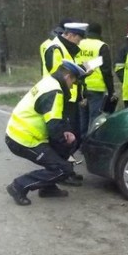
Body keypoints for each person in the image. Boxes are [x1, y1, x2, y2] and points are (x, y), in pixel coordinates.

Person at [5, 60, 87, 206]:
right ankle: (18, 186)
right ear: (68, 77)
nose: (73, 86)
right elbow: (54, 126)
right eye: (73, 82)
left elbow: (56, 118)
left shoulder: (49, 81)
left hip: (22, 132)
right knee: (64, 168)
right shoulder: (55, 92)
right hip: (22, 139)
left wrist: (65, 135)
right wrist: (66, 143)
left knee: (60, 153)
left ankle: (47, 188)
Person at [43, 22, 88, 162]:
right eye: (78, 39)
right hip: (59, 96)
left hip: (69, 96)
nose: (79, 43)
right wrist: (82, 71)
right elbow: (59, 74)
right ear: (69, 35)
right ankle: (62, 167)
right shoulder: (56, 48)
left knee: (74, 134)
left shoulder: (68, 48)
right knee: (64, 135)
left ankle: (65, 164)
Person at [76, 22, 116, 138]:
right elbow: (106, 70)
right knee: (94, 119)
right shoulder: (101, 46)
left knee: (82, 118)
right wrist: (111, 90)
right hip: (96, 88)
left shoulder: (79, 43)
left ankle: (81, 144)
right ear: (100, 33)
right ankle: (92, 144)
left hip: (80, 86)